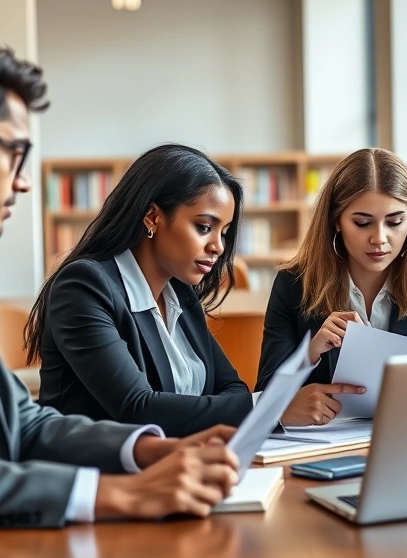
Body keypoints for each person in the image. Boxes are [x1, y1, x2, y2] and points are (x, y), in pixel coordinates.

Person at [0, 22, 240, 558]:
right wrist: (115, 495)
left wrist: (142, 450)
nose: (21, 182)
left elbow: (22, 421)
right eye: (15, 153)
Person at [26, 144, 253, 437]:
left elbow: (232, 387)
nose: (219, 247)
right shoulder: (83, 287)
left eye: (224, 232)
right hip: (97, 474)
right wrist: (264, 407)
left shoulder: (180, 292)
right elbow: (138, 409)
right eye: (204, 227)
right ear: (153, 217)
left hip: (180, 461)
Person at [255, 148, 407, 425]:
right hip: (321, 443)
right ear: (336, 221)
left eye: (395, 222)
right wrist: (310, 353)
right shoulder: (294, 284)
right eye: (362, 223)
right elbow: (263, 393)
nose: (380, 238)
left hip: (404, 435)